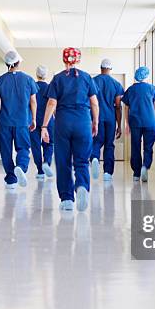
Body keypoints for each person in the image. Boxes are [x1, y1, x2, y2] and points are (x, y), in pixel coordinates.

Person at [41, 48, 99, 211]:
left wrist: (44, 126)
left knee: (63, 160)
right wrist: (95, 121)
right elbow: (94, 102)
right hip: (83, 121)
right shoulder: (87, 77)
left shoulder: (58, 78)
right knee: (81, 160)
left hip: (63, 122)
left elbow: (52, 103)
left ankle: (66, 198)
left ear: (64, 60)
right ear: (78, 60)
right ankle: (81, 186)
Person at [0, 50, 38, 189]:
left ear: (7, 63)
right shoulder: (28, 79)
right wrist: (34, 118)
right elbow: (33, 101)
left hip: (5, 121)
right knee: (23, 148)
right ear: (18, 62)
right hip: (23, 121)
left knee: (5, 150)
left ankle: (11, 180)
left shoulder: (0, 80)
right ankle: (21, 167)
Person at [122, 66, 155, 183]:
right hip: (150, 121)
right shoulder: (152, 89)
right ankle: (145, 166)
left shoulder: (130, 90)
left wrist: (127, 123)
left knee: (135, 147)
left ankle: (136, 173)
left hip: (135, 122)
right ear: (146, 76)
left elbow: (126, 108)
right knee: (148, 147)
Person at [90, 58, 124, 181]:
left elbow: (89, 101)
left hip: (96, 117)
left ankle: (94, 158)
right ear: (110, 69)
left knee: (96, 142)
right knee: (109, 144)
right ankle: (107, 173)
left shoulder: (92, 82)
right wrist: (119, 125)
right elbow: (118, 106)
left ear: (101, 68)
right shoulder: (116, 84)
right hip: (110, 118)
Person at [30, 65, 55, 180]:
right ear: (46, 75)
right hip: (48, 121)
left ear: (36, 74)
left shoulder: (32, 86)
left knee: (35, 145)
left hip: (33, 120)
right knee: (49, 143)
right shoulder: (51, 87)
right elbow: (53, 105)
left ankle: (40, 171)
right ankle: (47, 163)